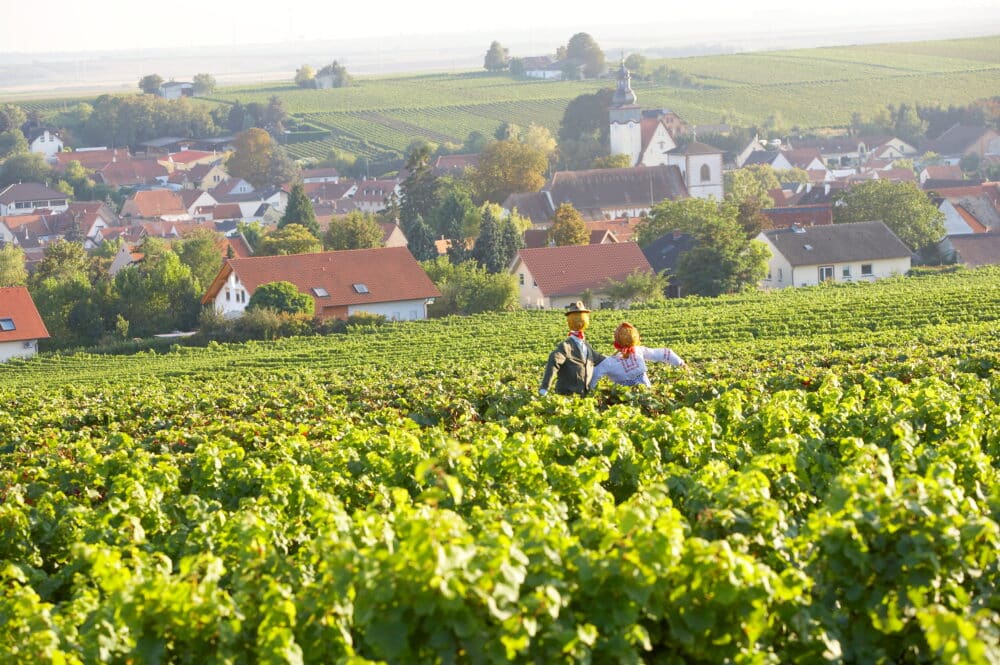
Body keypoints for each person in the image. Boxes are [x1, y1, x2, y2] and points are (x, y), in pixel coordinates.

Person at [589, 321, 686, 389]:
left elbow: (596, 373)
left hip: (623, 395)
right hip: (645, 390)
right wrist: (680, 363)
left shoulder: (609, 361)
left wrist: (590, 389)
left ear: (617, 342)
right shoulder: (639, 351)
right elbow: (662, 353)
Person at [539, 301, 606, 396]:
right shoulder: (566, 346)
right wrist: (544, 388)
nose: (579, 321)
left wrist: (620, 358)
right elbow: (554, 359)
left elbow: (600, 359)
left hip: (584, 395)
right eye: (577, 318)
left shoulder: (586, 346)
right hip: (567, 396)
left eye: (581, 318)